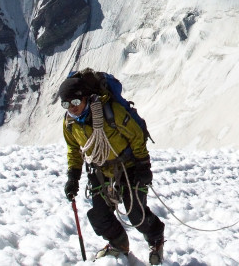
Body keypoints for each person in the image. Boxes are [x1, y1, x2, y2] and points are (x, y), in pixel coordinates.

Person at [60, 72, 166, 264]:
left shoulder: (111, 112)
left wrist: (143, 166)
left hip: (129, 167)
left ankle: (156, 237)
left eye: (75, 101)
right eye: (66, 104)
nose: (72, 108)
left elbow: (136, 136)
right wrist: (73, 177)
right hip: (99, 171)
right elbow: (74, 150)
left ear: (86, 97)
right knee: (99, 217)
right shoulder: (69, 123)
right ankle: (119, 244)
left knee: (136, 215)